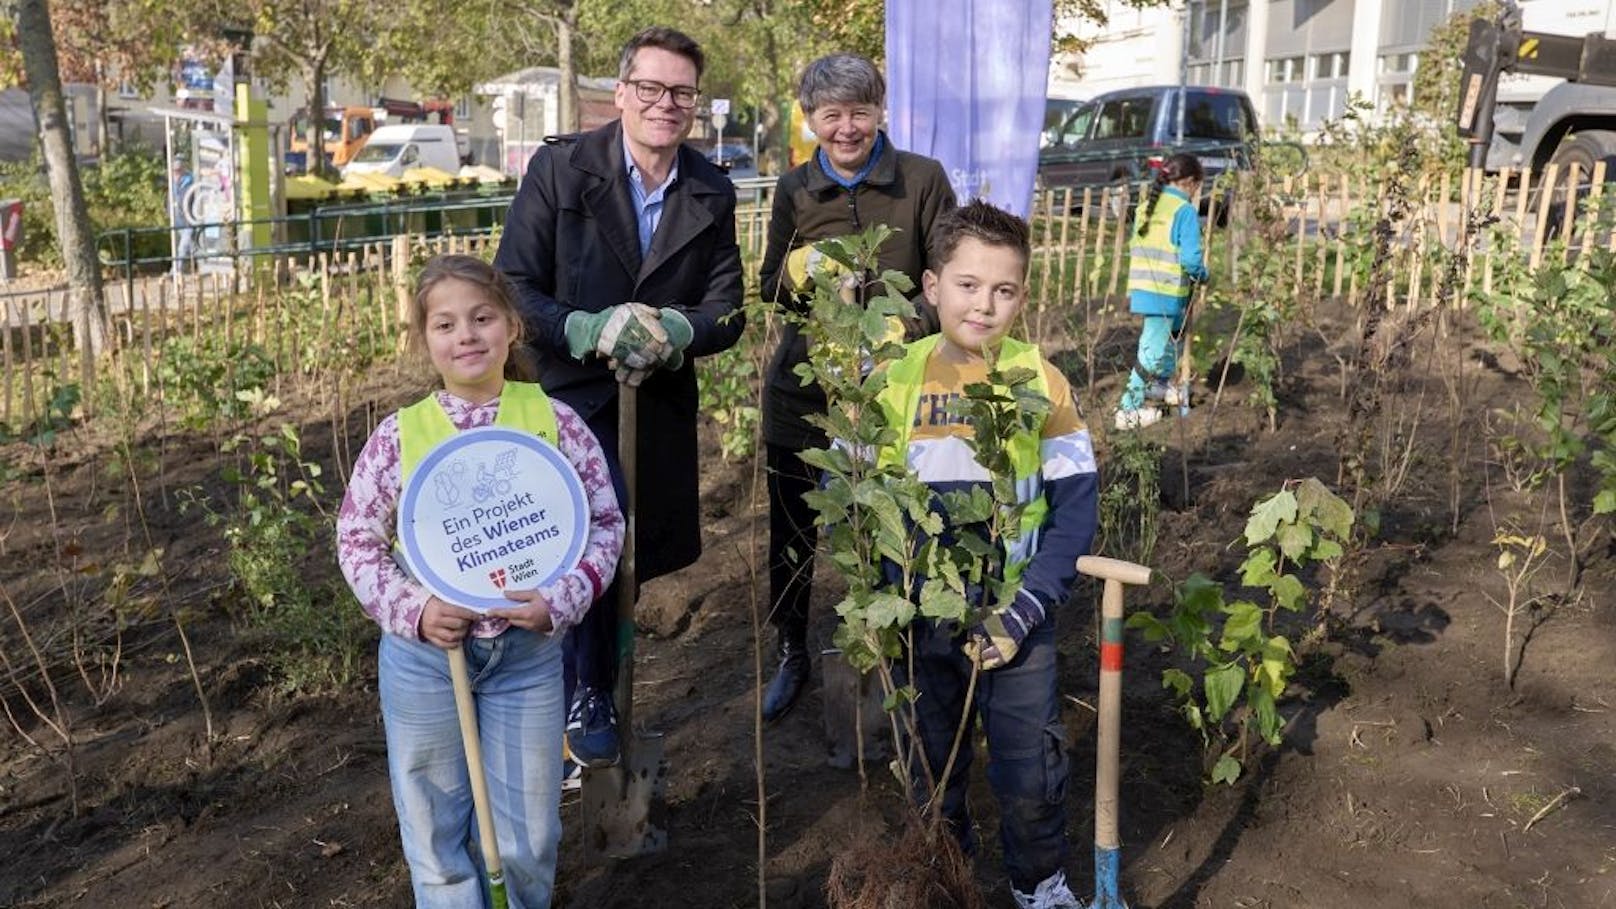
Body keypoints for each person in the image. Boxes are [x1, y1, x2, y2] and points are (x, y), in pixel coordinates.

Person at [336, 254, 625, 908]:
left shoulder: (555, 423)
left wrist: (565, 596)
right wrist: (413, 608)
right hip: (426, 662)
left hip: (527, 658)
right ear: (425, 339)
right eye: (445, 323)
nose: (465, 334)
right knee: (435, 833)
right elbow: (356, 535)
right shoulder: (398, 438)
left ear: (512, 328)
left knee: (527, 835)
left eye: (481, 317)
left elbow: (606, 521)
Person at [494, 27, 744, 770]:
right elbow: (512, 283)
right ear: (622, 91)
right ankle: (586, 692)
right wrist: (581, 324)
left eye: (681, 93)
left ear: (694, 103)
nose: (666, 105)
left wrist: (676, 326)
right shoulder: (562, 169)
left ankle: (596, 687)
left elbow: (727, 308)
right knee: (587, 542)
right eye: (651, 89)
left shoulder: (710, 187)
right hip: (570, 400)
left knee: (631, 553)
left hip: (656, 403)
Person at [874, 201, 1098, 909]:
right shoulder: (893, 382)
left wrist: (1024, 608)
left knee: (1032, 764)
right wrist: (886, 599)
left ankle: (1040, 882)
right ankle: (946, 875)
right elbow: (854, 500)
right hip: (918, 616)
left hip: (1016, 616)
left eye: (1004, 290)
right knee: (929, 761)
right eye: (968, 285)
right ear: (933, 285)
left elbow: (1075, 508)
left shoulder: (1041, 383)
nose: (985, 304)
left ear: (1022, 297)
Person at [755, 52, 956, 722]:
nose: (846, 127)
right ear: (810, 118)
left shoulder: (921, 181)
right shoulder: (795, 189)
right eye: (830, 114)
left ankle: (893, 647)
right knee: (793, 532)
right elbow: (769, 292)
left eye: (859, 112)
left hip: (893, 395)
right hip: (807, 396)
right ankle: (792, 650)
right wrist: (797, 267)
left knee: (891, 522)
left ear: (880, 110)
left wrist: (907, 324)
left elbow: (949, 279)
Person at [1115, 152, 1207, 431]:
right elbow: (1191, 260)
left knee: (1168, 340)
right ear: (1189, 183)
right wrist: (1203, 275)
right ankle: (1128, 409)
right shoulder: (1184, 211)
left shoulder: (1147, 207)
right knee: (1152, 350)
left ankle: (1159, 386)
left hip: (1145, 288)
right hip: (1168, 291)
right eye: (1197, 187)